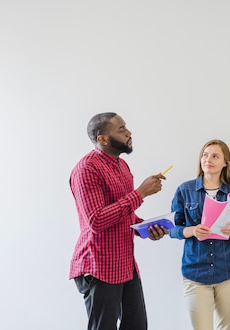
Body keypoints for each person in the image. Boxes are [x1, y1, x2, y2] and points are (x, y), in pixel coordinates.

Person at [69, 112, 168, 330]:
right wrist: (140, 193)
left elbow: (123, 213)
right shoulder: (87, 169)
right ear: (102, 139)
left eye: (126, 128)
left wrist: (145, 228)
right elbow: (96, 220)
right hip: (99, 265)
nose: (129, 133)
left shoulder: (122, 167)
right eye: (121, 130)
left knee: (137, 325)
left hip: (125, 264)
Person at [169, 139, 230, 330]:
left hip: (229, 271)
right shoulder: (184, 190)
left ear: (225, 162)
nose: (208, 159)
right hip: (195, 272)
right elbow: (171, 229)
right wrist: (192, 230)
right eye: (205, 155)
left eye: (215, 156)